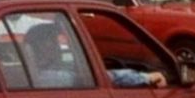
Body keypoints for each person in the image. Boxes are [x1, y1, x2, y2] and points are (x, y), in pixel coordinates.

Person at [24, 24, 167, 89]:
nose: (58, 46)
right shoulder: (49, 77)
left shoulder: (31, 74)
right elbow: (102, 78)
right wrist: (146, 77)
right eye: (54, 41)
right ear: (43, 46)